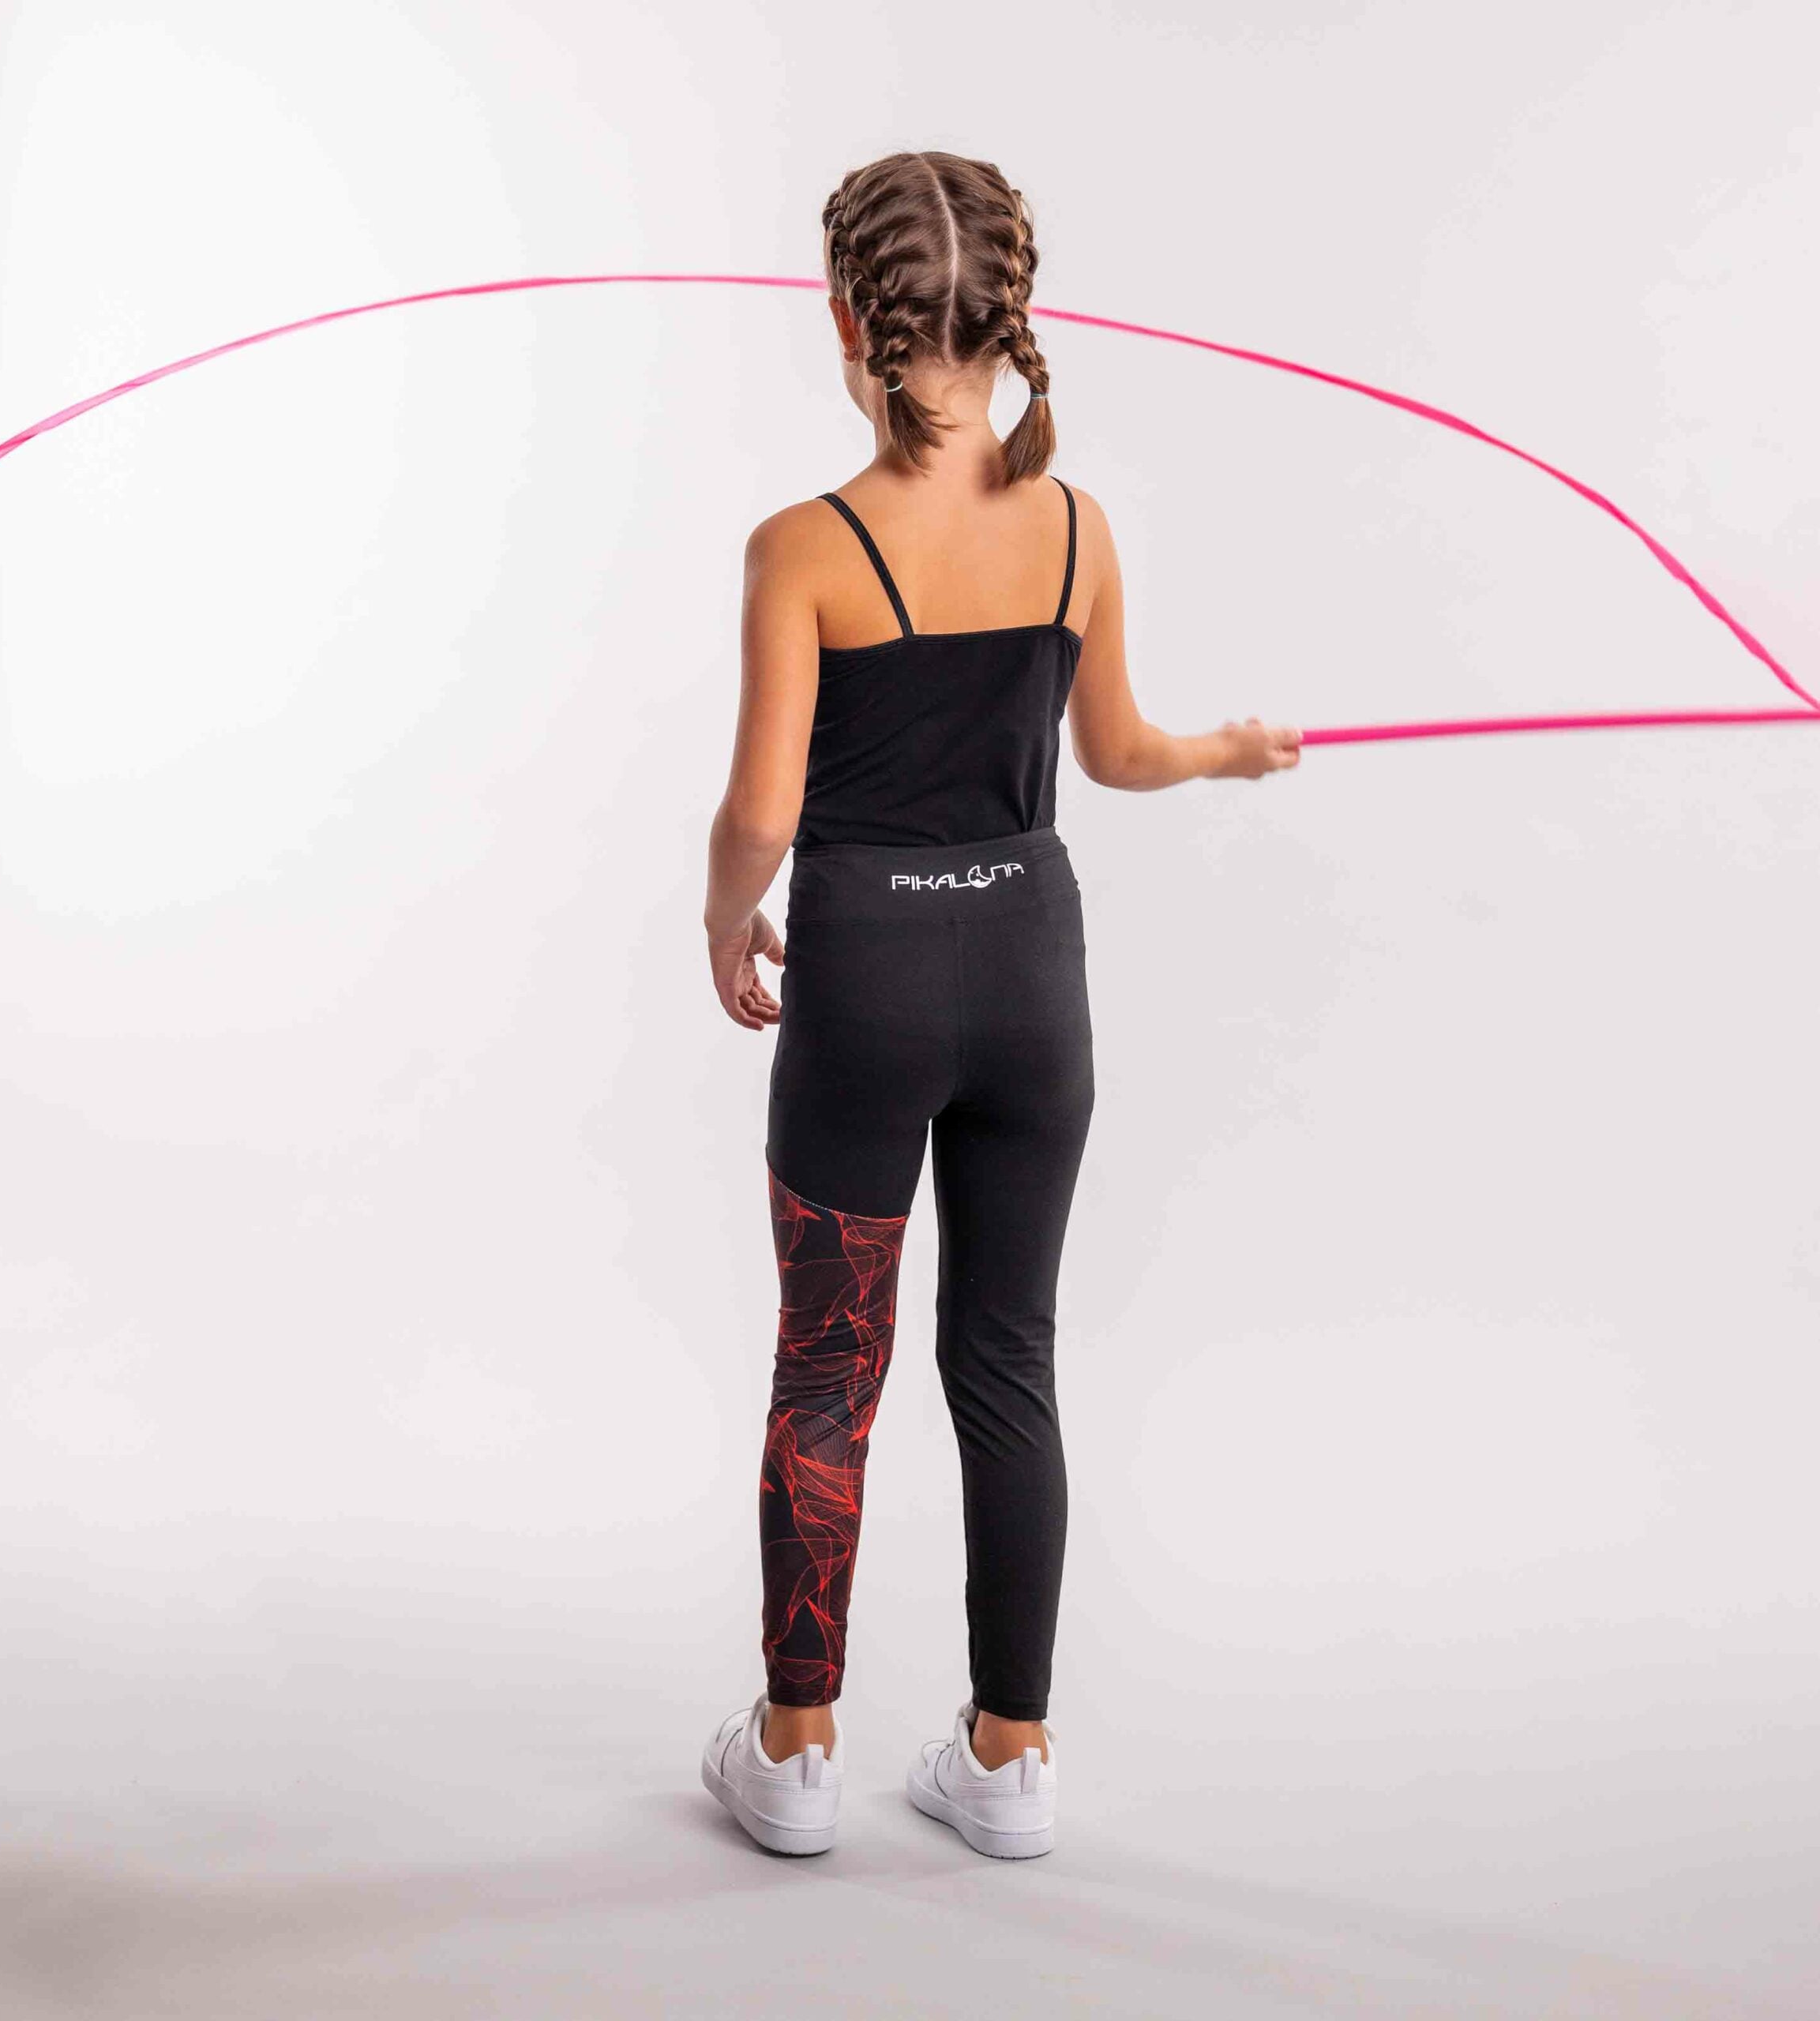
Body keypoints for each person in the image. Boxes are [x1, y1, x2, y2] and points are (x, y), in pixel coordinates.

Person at [698, 151, 1301, 1861]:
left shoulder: (802, 549)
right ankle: (1008, 1756)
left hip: (867, 980)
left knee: (831, 1362)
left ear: (845, 320)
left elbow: (759, 812)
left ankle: (794, 1752)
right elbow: (1118, 752)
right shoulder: (1075, 526)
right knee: (1008, 1355)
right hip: (1034, 974)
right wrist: (1226, 751)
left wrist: (725, 916)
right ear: (1008, 316)